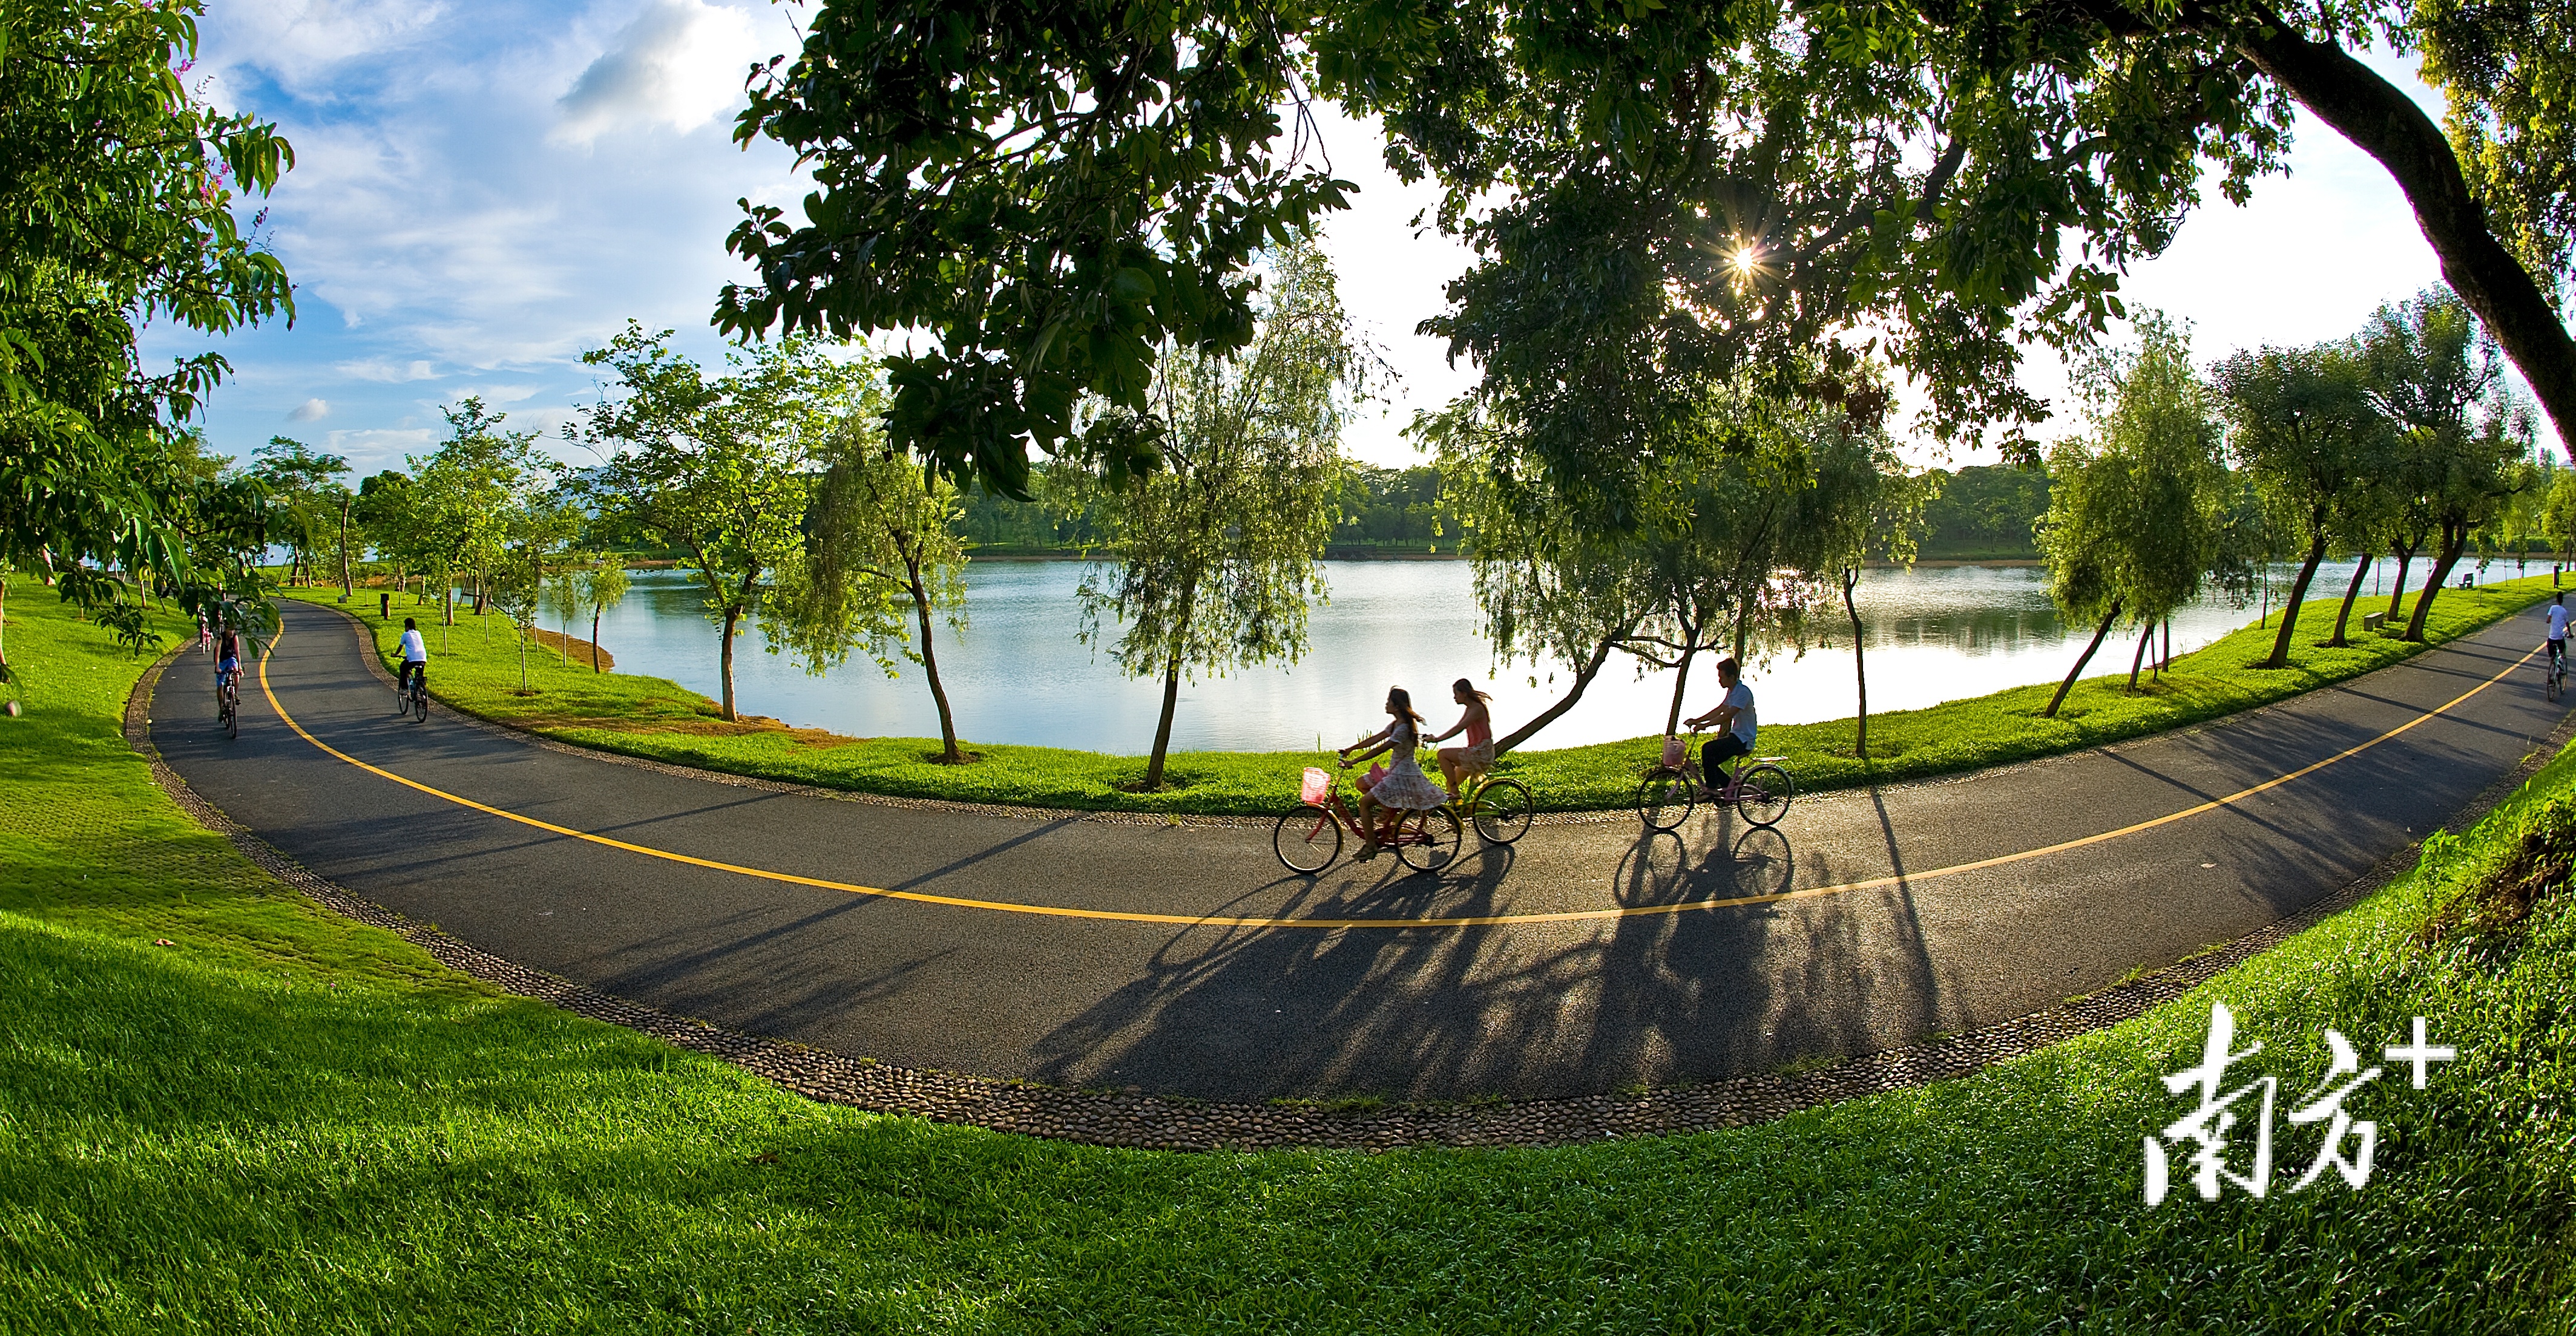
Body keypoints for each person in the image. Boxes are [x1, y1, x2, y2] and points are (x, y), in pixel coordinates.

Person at [1338, 686, 1450, 857]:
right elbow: (1374, 740)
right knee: (1361, 783)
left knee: (1365, 804)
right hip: (1395, 771)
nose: (1386, 704)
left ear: (1397, 706)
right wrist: (1351, 749)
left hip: (1403, 775)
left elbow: (1381, 749)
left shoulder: (1403, 728)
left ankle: (1371, 846)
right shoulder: (1395, 724)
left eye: (1388, 701)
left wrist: (1354, 761)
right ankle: (1388, 809)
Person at [1684, 657, 1757, 797]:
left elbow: (1727, 715)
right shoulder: (1733, 691)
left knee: (1708, 749)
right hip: (1737, 736)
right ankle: (1730, 788)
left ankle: (1711, 789)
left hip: (1744, 740)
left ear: (1732, 677)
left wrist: (1705, 725)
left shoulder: (1743, 693)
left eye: (1722, 677)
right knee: (1709, 761)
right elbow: (1720, 710)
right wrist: (1697, 721)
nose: (1719, 680)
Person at [1428, 678, 1496, 801]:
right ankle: (1459, 808)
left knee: (1442, 755)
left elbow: (1460, 728)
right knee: (1451, 782)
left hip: (1481, 752)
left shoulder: (1477, 709)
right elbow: (1459, 726)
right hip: (1475, 751)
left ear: (1464, 693)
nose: (1454, 697)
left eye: (1456, 694)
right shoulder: (1470, 708)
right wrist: (1433, 738)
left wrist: (1437, 739)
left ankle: (1456, 794)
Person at [396, 617, 429, 707]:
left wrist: (395, 654)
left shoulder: (406, 635)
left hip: (412, 660)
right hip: (422, 659)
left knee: (403, 668)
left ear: (407, 626)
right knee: (419, 677)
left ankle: (405, 689)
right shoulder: (418, 633)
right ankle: (421, 693)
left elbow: (400, 647)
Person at [212, 626, 242, 707]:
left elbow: (237, 652)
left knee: (236, 672)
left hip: (231, 659)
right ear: (226, 630)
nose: (232, 632)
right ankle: (221, 707)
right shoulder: (221, 638)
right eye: (230, 630)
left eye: (233, 630)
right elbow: (217, 653)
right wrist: (217, 667)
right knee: (220, 685)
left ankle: (235, 694)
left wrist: (239, 667)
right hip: (222, 661)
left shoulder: (235, 637)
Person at [2549, 594, 2568, 681]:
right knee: (2563, 649)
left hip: (2551, 638)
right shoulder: (2564, 611)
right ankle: (2560, 663)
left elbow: (2548, 620)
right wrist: (2570, 634)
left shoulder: (2552, 608)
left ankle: (2551, 675)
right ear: (2562, 600)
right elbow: (2567, 624)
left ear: (2556, 600)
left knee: (2552, 656)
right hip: (2560, 637)